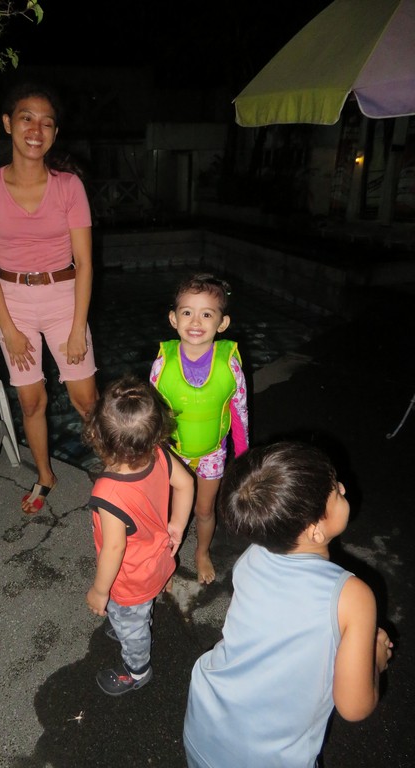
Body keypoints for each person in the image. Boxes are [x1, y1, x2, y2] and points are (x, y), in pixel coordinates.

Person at [183, 441, 393, 768]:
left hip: (204, 727)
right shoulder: (353, 597)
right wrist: (376, 660)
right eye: (335, 492)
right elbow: (354, 706)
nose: (342, 487)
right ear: (315, 532)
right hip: (264, 758)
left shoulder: (254, 555)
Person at [0, 81, 98, 514]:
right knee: (31, 400)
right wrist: (9, 329)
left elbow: (85, 263)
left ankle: (116, 469)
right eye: (27, 118)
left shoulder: (69, 187)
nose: (36, 130)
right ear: (8, 123)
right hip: (12, 302)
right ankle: (45, 475)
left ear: (55, 134)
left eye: (46, 123)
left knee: (86, 400)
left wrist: (77, 328)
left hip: (64, 298)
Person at [83, 375, 194, 695]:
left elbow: (114, 549)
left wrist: (100, 591)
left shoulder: (108, 493)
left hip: (131, 580)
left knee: (132, 625)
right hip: (159, 560)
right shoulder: (158, 453)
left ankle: (137, 670)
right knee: (136, 611)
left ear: (97, 435)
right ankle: (129, 620)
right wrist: (176, 525)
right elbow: (186, 483)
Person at [150, 273, 249, 584]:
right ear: (173, 319)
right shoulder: (162, 364)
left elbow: (240, 413)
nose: (195, 321)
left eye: (207, 314)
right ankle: (163, 559)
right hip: (171, 453)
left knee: (204, 510)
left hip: (212, 453)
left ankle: (202, 551)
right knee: (166, 511)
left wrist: (242, 458)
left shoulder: (230, 365)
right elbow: (151, 414)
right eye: (187, 312)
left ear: (222, 323)